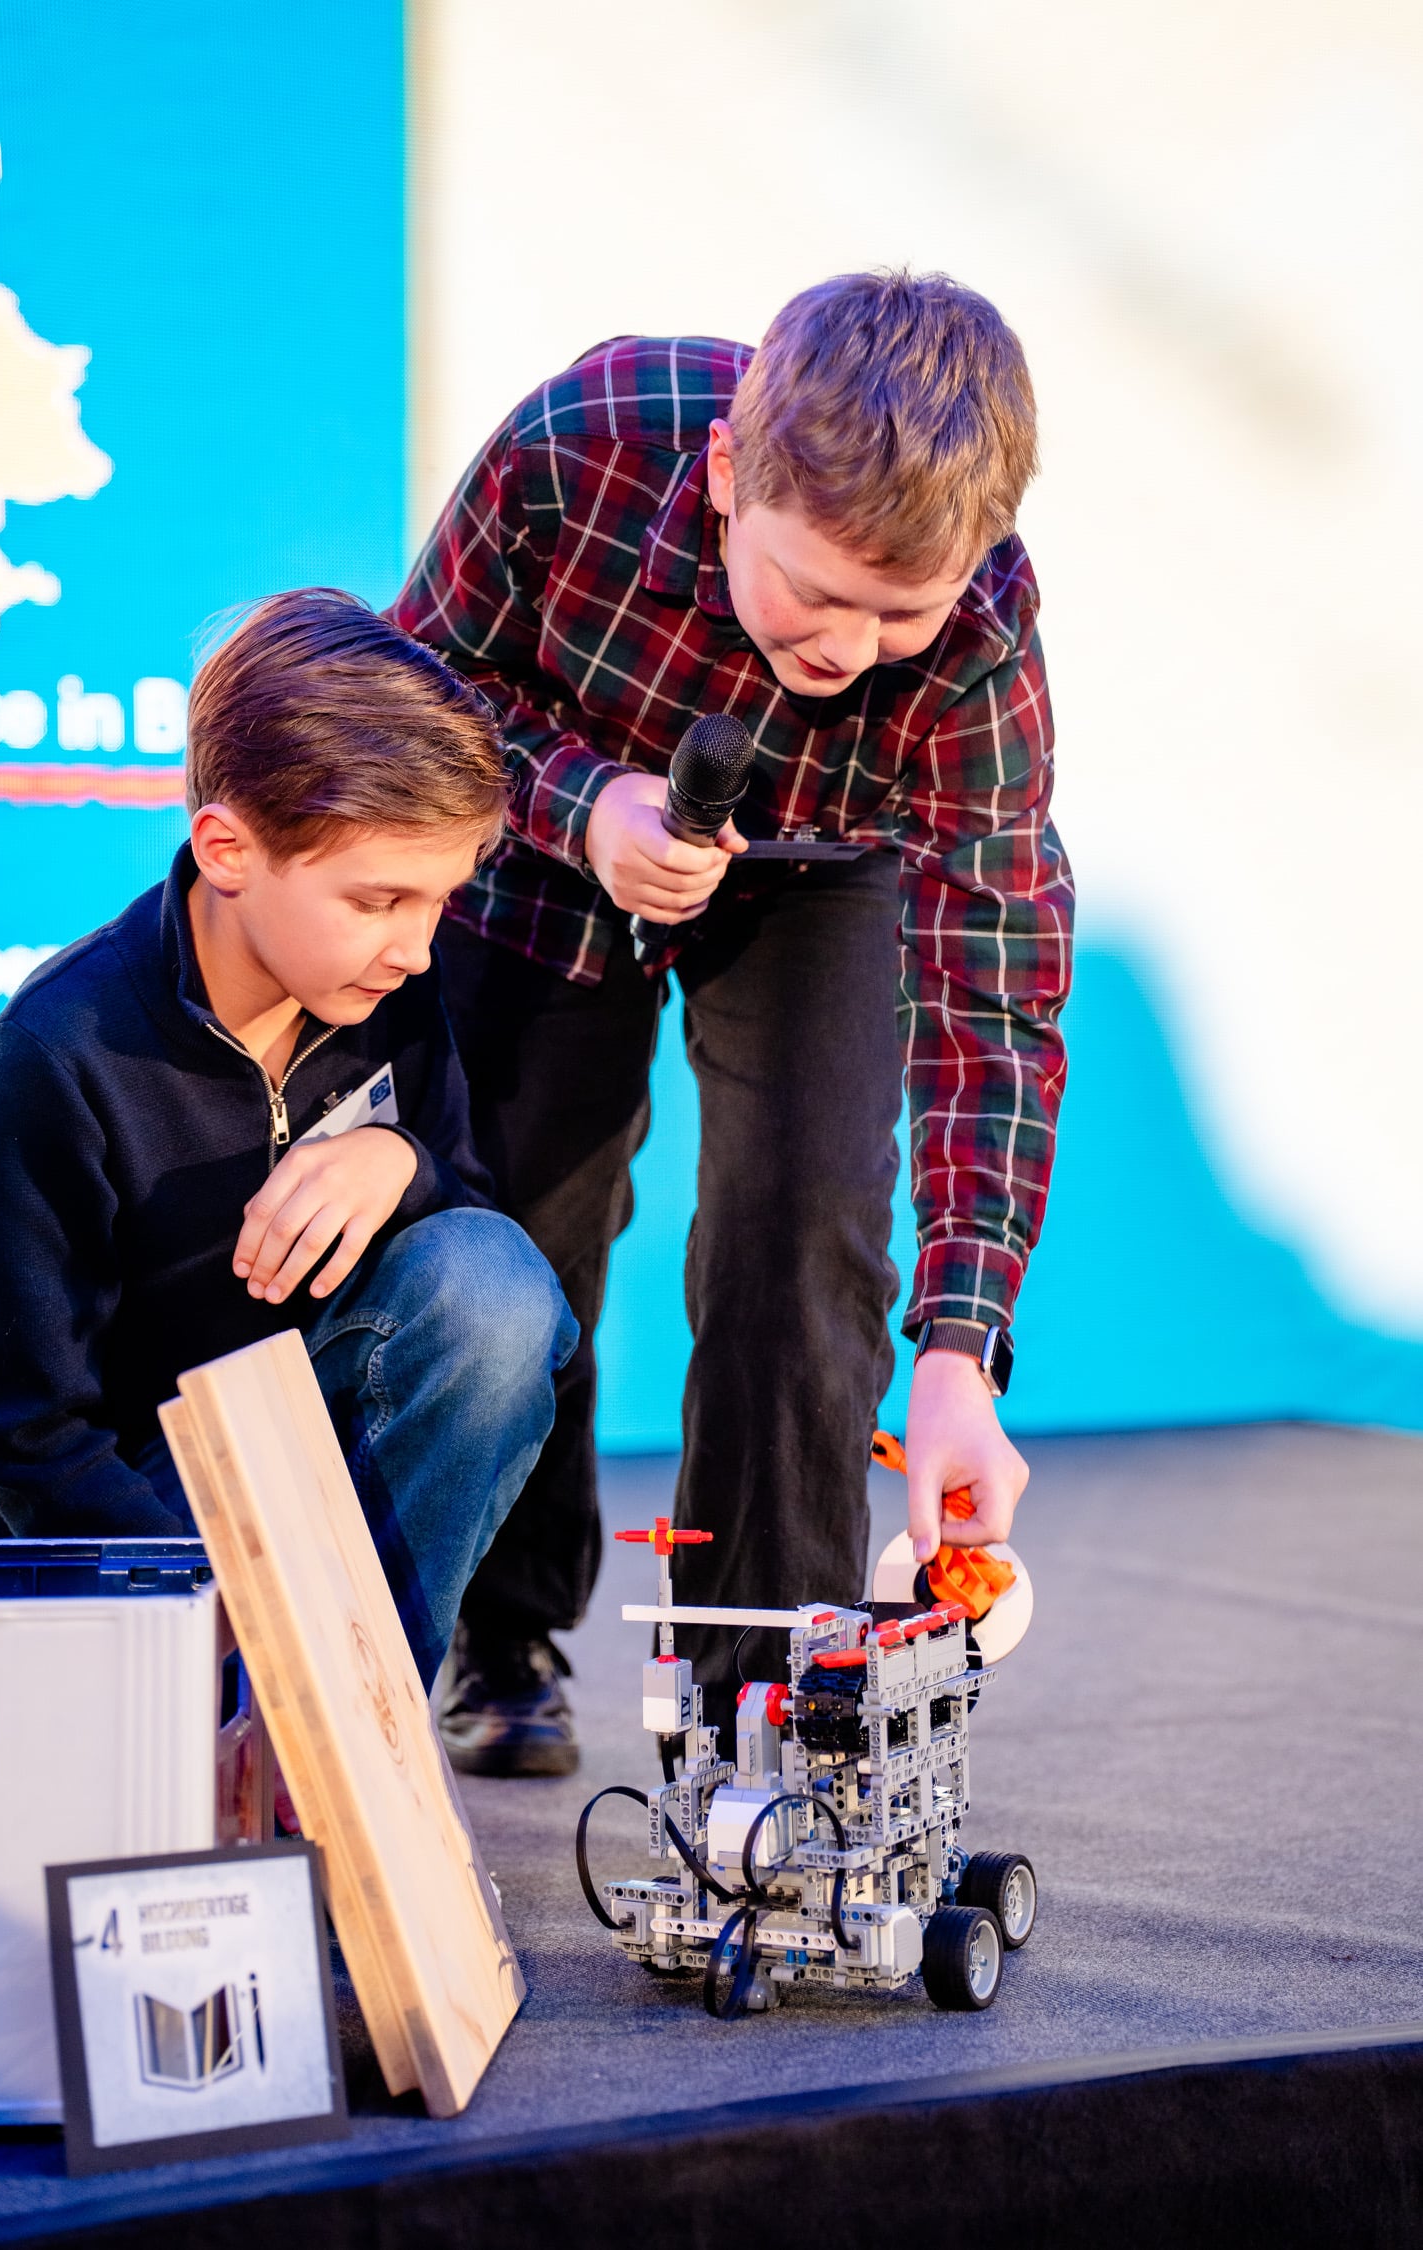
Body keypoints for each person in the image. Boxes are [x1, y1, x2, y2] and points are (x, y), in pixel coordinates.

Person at [393, 269, 1075, 1774]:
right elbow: (417, 683)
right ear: (721, 478)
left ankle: (762, 1697)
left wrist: (963, 1350)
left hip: (819, 869)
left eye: (901, 612)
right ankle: (504, 1627)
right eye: (814, 591)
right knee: (521, 1218)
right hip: (554, 834)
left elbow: (995, 986)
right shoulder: (581, 444)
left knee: (804, 1221)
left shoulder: (984, 634)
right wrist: (584, 805)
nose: (849, 647)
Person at [0, 590, 577, 1689]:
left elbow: (473, 1233)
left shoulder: (389, 993)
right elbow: (20, 1432)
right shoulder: (59, 1047)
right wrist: (218, 1616)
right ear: (227, 849)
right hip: (102, 1501)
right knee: (208, 1701)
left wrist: (402, 1164)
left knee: (493, 1292)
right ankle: (252, 1714)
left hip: (286, 1447)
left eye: (440, 901)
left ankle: (357, 1724)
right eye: (378, 901)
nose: (417, 949)